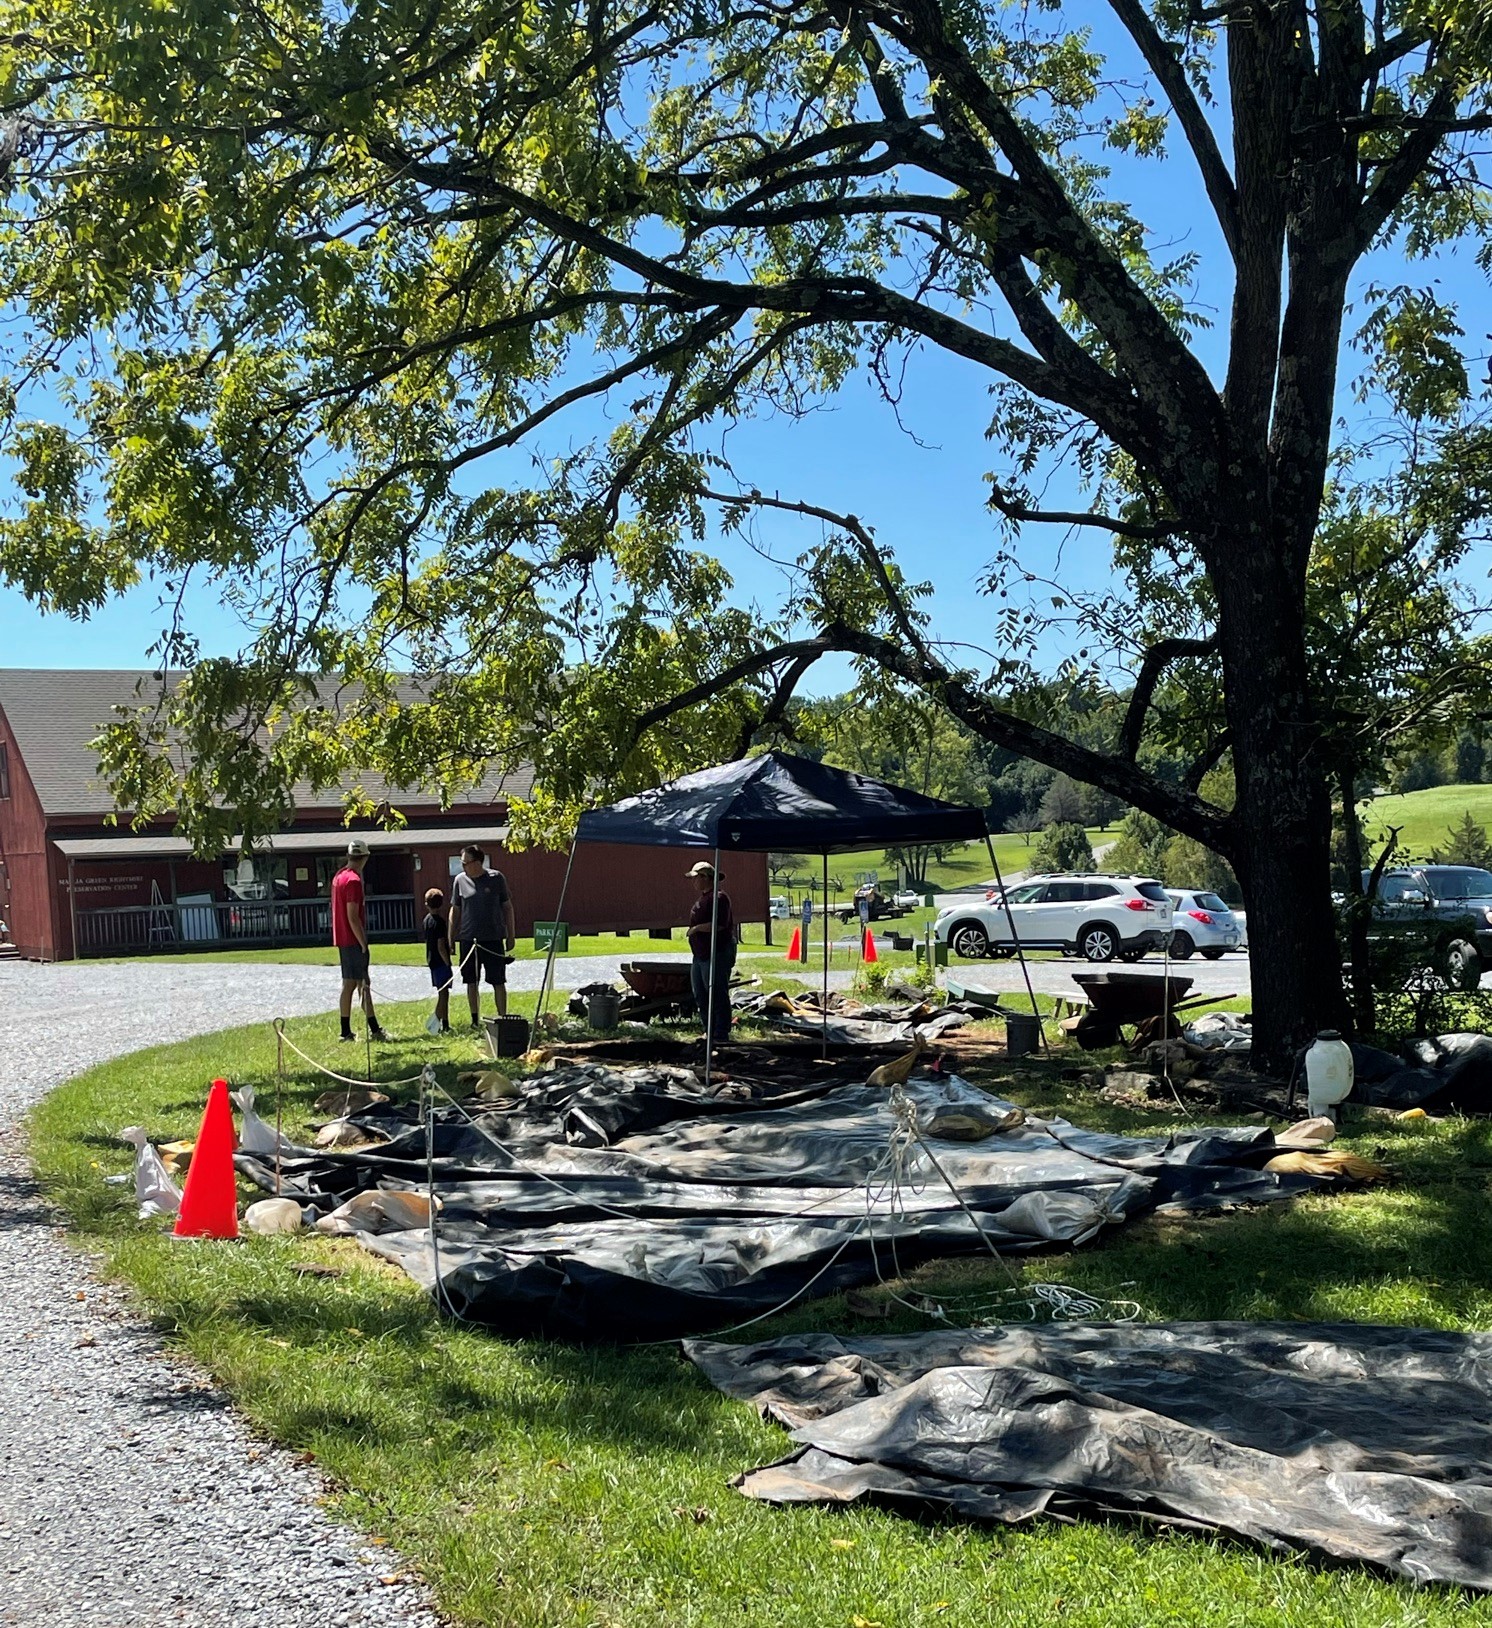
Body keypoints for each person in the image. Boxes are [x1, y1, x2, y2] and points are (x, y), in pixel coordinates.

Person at [448, 843, 515, 1028]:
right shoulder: (459, 880)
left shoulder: (496, 878)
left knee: (498, 980)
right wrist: (451, 937)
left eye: (465, 863)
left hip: (493, 939)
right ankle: (475, 1019)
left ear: (478, 862)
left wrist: (511, 934)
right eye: (461, 863)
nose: (463, 867)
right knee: (471, 981)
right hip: (469, 940)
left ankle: (503, 1017)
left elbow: (507, 907)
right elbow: (455, 910)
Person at [331, 839, 387, 1043]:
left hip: (342, 939)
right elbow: (352, 916)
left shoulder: (339, 876)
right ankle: (375, 1029)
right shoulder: (353, 880)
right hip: (353, 939)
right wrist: (363, 942)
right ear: (365, 858)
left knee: (348, 984)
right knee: (364, 984)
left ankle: (345, 1031)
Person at [686, 860, 735, 1043]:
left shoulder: (719, 898)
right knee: (700, 993)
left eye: (696, 878)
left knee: (716, 992)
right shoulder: (703, 898)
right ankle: (709, 1030)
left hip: (717, 952)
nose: (694, 882)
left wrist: (696, 929)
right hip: (700, 954)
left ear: (706, 878)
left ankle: (721, 1032)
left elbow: (719, 925)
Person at [423, 886, 453, 1032]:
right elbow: (441, 945)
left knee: (444, 993)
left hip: (431, 961)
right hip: (441, 963)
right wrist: (447, 962)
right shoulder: (439, 922)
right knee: (443, 994)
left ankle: (445, 1024)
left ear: (426, 904)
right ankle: (435, 1022)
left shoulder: (426, 920)